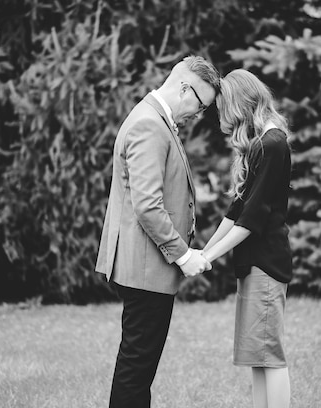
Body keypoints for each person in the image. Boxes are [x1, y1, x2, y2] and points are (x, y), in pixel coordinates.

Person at [95, 55, 220, 408]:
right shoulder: (150, 124)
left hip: (147, 266)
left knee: (139, 367)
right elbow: (148, 205)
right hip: (145, 268)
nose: (197, 114)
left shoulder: (154, 119)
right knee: (136, 369)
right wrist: (183, 255)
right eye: (200, 105)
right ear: (185, 88)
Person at [201, 69, 292, 408]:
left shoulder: (273, 143)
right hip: (253, 265)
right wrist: (202, 252)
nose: (225, 120)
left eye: (226, 111)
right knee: (258, 355)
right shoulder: (261, 145)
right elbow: (237, 209)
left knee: (270, 355)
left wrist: (209, 258)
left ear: (240, 104)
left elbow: (253, 220)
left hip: (266, 263)